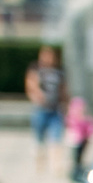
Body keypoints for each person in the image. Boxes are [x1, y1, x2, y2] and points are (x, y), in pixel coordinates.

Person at [26, 46, 64, 174]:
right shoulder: (36, 69)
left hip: (55, 109)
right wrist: (36, 95)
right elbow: (31, 83)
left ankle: (56, 166)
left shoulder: (59, 71)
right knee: (39, 140)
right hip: (41, 109)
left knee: (56, 139)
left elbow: (63, 89)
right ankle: (39, 166)